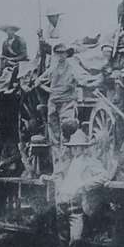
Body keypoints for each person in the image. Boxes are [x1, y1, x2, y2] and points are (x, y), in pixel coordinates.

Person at [53, 129, 108, 247]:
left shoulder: (90, 162)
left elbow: (104, 176)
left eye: (79, 147)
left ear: (84, 148)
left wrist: (84, 185)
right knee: (63, 244)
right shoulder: (66, 162)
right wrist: (58, 186)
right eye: (73, 147)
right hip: (61, 204)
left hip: (76, 206)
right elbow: (56, 175)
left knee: (76, 240)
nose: (75, 149)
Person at [43, 42, 85, 170]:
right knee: (54, 136)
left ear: (67, 54)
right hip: (53, 103)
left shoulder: (72, 67)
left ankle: (65, 166)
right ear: (55, 55)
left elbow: (80, 79)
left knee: (66, 132)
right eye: (58, 53)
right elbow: (38, 81)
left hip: (67, 102)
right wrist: (48, 90)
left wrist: (76, 84)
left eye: (63, 53)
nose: (61, 55)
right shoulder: (52, 69)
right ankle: (57, 167)